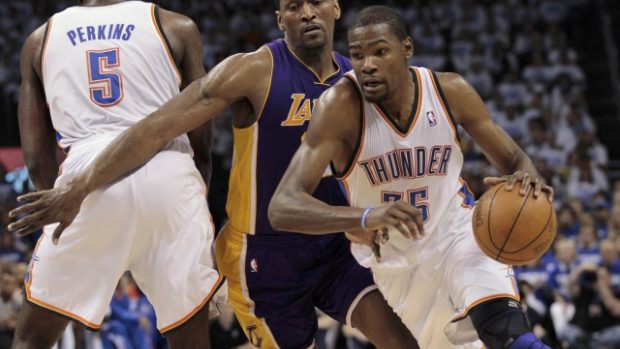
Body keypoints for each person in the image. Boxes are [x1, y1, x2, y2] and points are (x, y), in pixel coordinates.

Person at [8, 1, 418, 348]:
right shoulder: (232, 58)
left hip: (333, 246)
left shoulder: (360, 82)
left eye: (315, 3)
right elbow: (174, 129)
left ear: (335, 8)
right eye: (294, 6)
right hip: (259, 248)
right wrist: (190, 195)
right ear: (280, 18)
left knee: (400, 339)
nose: (307, 13)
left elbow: (396, 160)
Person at [268, 6, 555, 349]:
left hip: (458, 234)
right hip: (397, 264)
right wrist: (363, 217)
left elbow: (513, 158)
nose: (367, 64)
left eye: (380, 51)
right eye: (357, 55)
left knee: (506, 331)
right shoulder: (340, 106)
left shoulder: (450, 91)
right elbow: (282, 206)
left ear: (407, 48)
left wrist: (527, 181)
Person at [9, 0, 221, 348]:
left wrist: (60, 209)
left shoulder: (39, 39)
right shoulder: (176, 26)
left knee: (32, 339)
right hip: (169, 169)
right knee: (190, 339)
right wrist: (193, 201)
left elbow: (35, 157)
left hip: (85, 179)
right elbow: (202, 135)